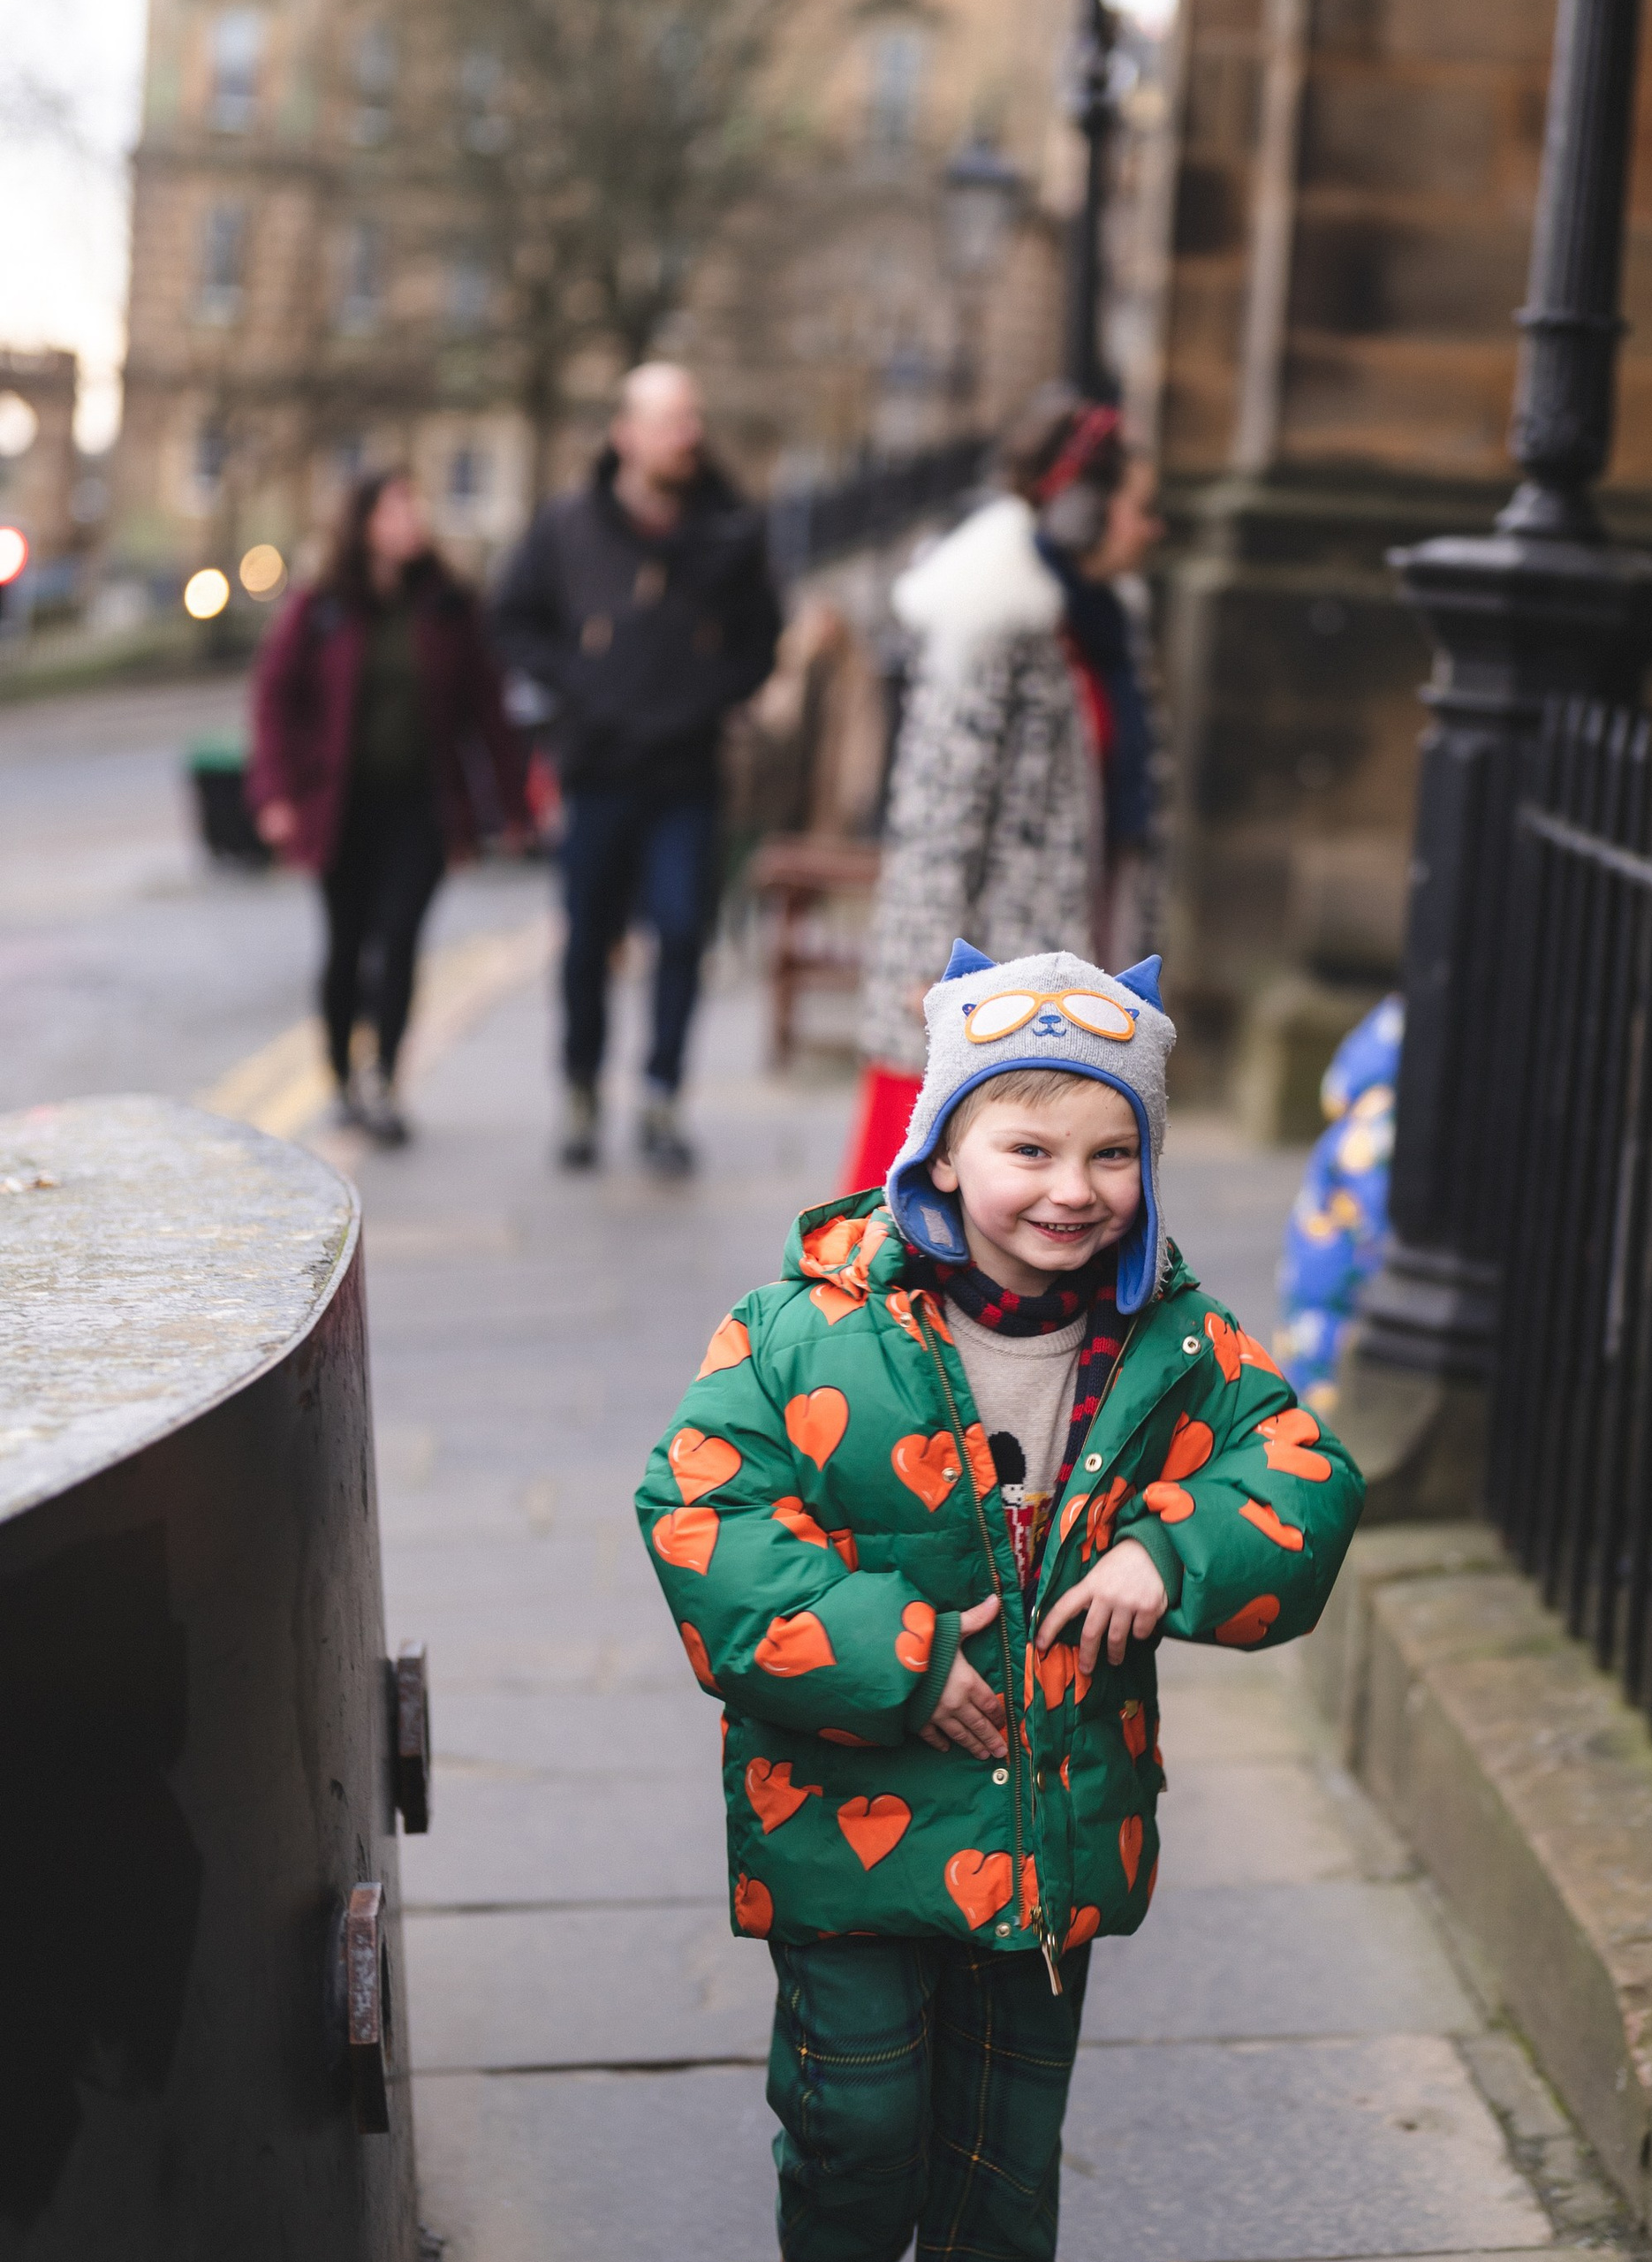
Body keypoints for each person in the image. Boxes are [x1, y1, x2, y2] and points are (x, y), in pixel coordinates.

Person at [636, 940, 1364, 2260]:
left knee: (1001, 2165)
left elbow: (1302, 1477)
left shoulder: (1174, 1343)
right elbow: (704, 1518)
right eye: (1029, 1150)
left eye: (1113, 1154)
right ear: (940, 1155)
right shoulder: (802, 1330)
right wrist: (896, 1654)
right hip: (844, 1816)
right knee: (857, 2127)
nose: (1073, 1190)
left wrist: (1172, 1551)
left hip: (1050, 1832)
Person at [845, 387, 1166, 1195]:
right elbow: (938, 808)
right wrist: (932, 970)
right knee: (926, 1198)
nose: (1153, 528)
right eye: (1140, 508)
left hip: (1070, 949)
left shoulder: (1105, 624)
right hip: (980, 968)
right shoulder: (991, 616)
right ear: (1083, 512)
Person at [493, 361, 782, 1176]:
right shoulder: (568, 523)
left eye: (693, 418)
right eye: (669, 420)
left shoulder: (728, 528)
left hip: (687, 773)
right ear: (626, 434)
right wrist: (577, 682)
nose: (688, 435)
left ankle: (661, 1097)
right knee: (588, 940)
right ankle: (582, 1090)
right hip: (598, 769)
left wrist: (712, 690)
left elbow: (763, 638)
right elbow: (511, 619)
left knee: (682, 934)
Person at [248, 469, 528, 1147]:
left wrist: (514, 802)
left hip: (421, 808)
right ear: (366, 523)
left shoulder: (448, 606)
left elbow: (488, 710)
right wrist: (277, 794)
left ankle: (386, 1081)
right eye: (398, 508)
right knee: (347, 946)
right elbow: (275, 698)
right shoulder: (322, 606)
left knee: (400, 941)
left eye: (416, 506)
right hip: (342, 806)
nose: (414, 519)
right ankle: (342, 1075)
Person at [1277, 995, 1402, 1411]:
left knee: (1304, 1368)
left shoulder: (1355, 1121)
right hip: (1340, 1284)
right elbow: (1379, 1219)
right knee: (1325, 1389)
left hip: (1312, 1271)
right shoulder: (1379, 1131)